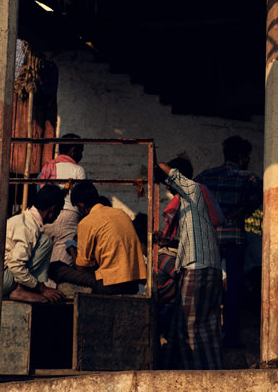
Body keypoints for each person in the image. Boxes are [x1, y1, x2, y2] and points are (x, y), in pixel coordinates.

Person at [195, 135, 262, 348]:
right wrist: (240, 212)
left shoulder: (206, 176)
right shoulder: (249, 179)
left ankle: (206, 335)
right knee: (233, 289)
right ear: (242, 157)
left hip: (210, 239)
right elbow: (256, 202)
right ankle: (230, 337)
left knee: (208, 287)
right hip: (234, 238)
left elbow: (194, 197)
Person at [155, 157, 222, 370]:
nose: (168, 187)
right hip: (209, 267)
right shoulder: (192, 201)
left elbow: (171, 174)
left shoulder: (193, 189)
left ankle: (199, 377)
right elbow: (188, 237)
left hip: (197, 266)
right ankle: (212, 373)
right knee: (206, 328)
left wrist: (156, 161)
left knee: (189, 328)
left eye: (168, 183)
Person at [70, 181, 147, 295]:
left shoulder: (86, 222)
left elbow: (81, 265)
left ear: (81, 205)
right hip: (132, 282)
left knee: (59, 269)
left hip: (109, 284)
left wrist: (72, 251)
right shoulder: (121, 213)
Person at [41, 134, 91, 287]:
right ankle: (54, 298)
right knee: (61, 263)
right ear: (73, 150)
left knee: (43, 260)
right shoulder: (78, 170)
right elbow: (81, 197)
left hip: (47, 215)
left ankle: (43, 293)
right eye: (80, 151)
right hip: (69, 216)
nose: (81, 156)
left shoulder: (48, 167)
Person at [2, 185, 66, 304]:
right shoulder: (29, 228)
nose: (58, 216)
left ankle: (26, 287)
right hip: (3, 281)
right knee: (45, 242)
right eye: (59, 211)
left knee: (43, 240)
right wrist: (41, 288)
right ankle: (20, 290)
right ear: (52, 209)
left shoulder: (24, 220)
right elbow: (15, 265)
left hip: (1, 277)